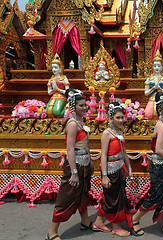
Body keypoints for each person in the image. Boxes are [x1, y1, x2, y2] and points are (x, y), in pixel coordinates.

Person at [131, 92, 163, 237]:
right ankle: (135, 219)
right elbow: (159, 150)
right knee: (156, 196)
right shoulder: (160, 126)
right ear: (160, 110)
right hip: (158, 166)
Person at [46, 89, 93, 240]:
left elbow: (86, 145)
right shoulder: (72, 124)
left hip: (84, 163)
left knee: (83, 193)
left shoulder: (81, 121)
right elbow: (70, 149)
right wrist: (73, 172)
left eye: (85, 105)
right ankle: (52, 232)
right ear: (73, 107)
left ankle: (85, 222)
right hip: (75, 164)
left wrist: (90, 162)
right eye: (81, 106)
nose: (85, 108)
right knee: (66, 197)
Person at [93, 101, 133, 237]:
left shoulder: (120, 133)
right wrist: (104, 175)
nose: (121, 120)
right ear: (111, 118)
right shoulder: (107, 134)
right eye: (118, 118)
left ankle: (98, 222)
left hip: (119, 168)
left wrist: (129, 168)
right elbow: (103, 155)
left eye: (122, 117)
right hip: (110, 170)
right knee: (114, 198)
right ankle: (116, 226)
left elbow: (124, 152)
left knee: (112, 197)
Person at [144, 50, 163, 119]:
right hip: (152, 98)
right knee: (148, 115)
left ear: (162, 67)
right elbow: (146, 93)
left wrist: (160, 89)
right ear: (152, 67)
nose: (157, 68)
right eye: (155, 66)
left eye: (158, 66)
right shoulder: (149, 79)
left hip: (162, 99)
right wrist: (153, 88)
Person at [45, 54, 70, 118]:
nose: (54, 69)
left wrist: (58, 89)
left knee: (57, 112)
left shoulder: (64, 78)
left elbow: (67, 92)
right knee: (47, 112)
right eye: (53, 67)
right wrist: (54, 89)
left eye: (56, 67)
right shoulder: (51, 79)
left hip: (61, 97)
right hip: (53, 97)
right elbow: (49, 92)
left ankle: (68, 111)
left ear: (60, 68)